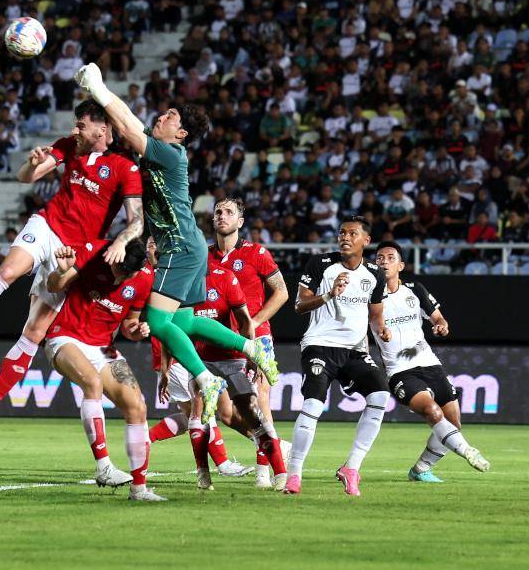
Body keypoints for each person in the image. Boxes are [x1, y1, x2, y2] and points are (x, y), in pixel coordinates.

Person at [74, 62, 278, 425]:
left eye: (170, 115)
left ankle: (204, 379)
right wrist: (98, 88)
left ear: (180, 132)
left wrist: (97, 90)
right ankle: (251, 347)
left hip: (179, 245)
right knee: (183, 320)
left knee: (156, 318)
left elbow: (123, 125)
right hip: (191, 245)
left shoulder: (170, 154)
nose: (162, 116)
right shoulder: (162, 150)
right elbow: (129, 119)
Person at [0, 101, 144, 442]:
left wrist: (122, 239)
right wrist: (32, 164)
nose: (75, 130)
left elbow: (136, 219)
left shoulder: (125, 168)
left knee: (33, 335)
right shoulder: (68, 146)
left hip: (73, 255)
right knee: (8, 271)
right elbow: (27, 178)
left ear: (103, 129)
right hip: (48, 226)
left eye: (81, 125)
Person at [43, 238, 161, 501]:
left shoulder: (144, 279)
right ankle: (104, 467)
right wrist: (63, 271)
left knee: (138, 406)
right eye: (117, 271)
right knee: (92, 383)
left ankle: (139, 489)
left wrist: (138, 330)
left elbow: (129, 324)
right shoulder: (93, 252)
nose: (118, 280)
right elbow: (53, 286)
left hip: (104, 348)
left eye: (126, 275)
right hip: (65, 337)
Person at [287, 216, 392, 496]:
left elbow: (376, 315)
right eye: (341, 233)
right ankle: (294, 473)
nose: (344, 238)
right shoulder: (321, 264)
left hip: (354, 350)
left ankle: (352, 467)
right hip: (320, 345)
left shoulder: (375, 274)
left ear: (366, 241)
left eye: (352, 234)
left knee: (381, 394)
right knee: (314, 404)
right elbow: (299, 305)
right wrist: (329, 295)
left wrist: (382, 331)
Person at [372, 241, 490, 481]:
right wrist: (379, 330)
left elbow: (437, 317)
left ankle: (421, 469)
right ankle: (467, 450)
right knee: (432, 411)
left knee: (453, 421)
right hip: (400, 370)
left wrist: (441, 325)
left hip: (430, 363)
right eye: (379, 258)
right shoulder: (369, 295)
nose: (384, 261)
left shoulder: (415, 289)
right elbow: (369, 323)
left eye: (390, 257)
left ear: (401, 265)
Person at [148, 264, 256, 489]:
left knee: (192, 414)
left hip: (175, 356)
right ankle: (221, 464)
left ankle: (146, 438)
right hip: (181, 357)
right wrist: (166, 366)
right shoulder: (165, 276)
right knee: (203, 411)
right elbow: (173, 327)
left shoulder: (164, 276)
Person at [208, 198, 291, 488]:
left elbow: (281, 292)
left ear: (240, 222)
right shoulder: (205, 257)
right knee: (226, 412)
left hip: (256, 338)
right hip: (218, 343)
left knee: (259, 401)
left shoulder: (257, 253)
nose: (222, 216)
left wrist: (253, 323)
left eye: (229, 212)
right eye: (218, 211)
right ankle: (276, 445)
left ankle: (265, 471)